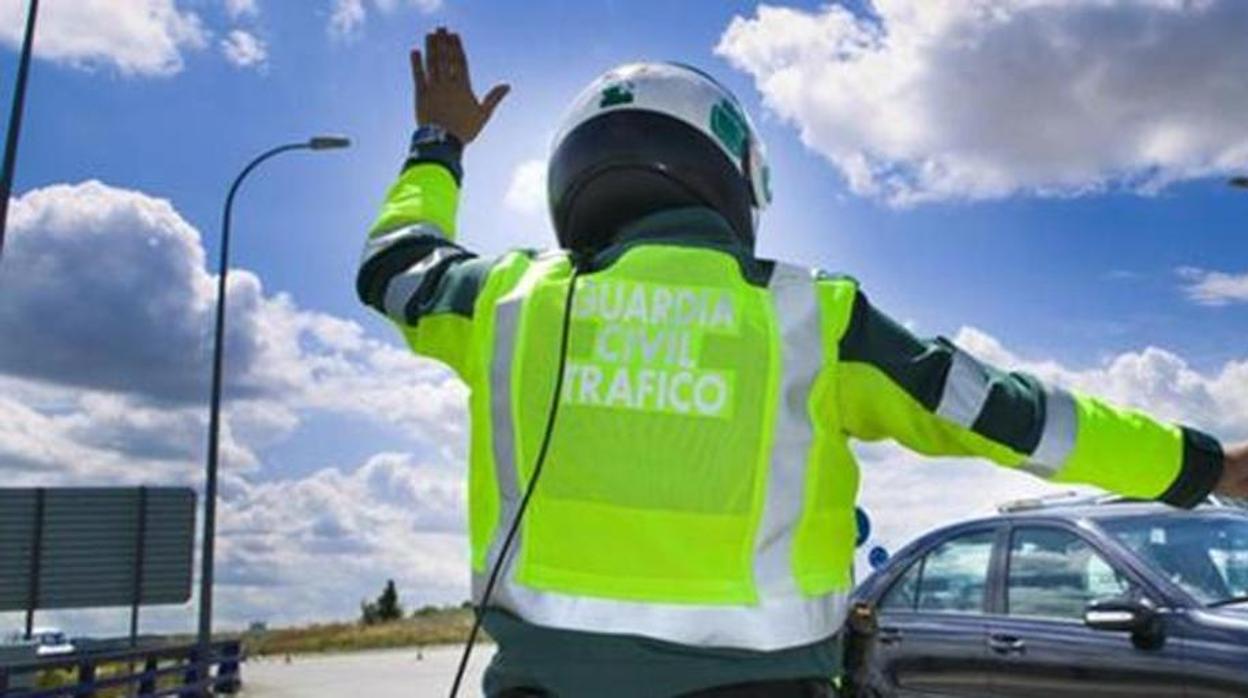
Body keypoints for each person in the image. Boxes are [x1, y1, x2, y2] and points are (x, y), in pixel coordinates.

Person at [356, 27, 1248, 698]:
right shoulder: (816, 320)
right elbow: (1017, 417)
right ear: (732, 175)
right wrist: (1210, 466)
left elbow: (393, 264)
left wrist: (438, 142)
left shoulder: (506, 302)